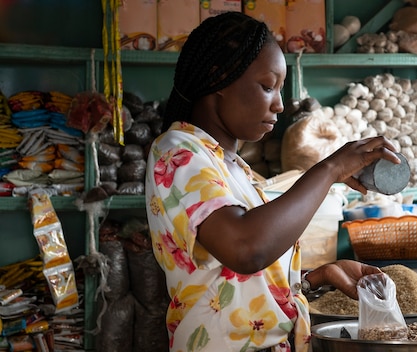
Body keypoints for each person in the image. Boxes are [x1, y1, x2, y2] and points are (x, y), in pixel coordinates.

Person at [144, 11, 401, 352]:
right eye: (268, 86)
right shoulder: (177, 152)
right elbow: (245, 249)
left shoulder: (235, 169)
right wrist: (329, 169)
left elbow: (237, 278)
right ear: (219, 78)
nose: (279, 105)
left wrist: (315, 277)